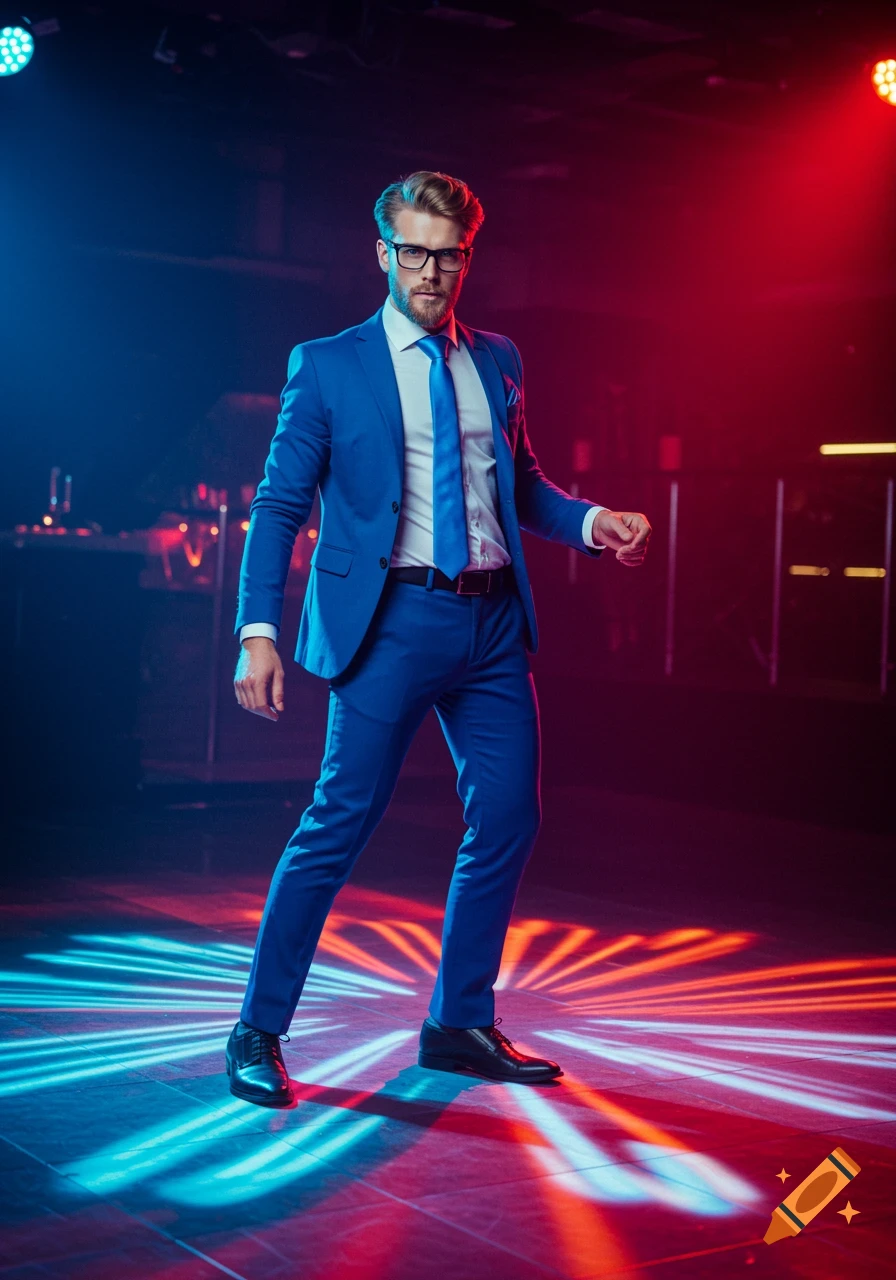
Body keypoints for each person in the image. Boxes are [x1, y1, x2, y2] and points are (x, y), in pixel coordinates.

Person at [226, 170, 651, 1107]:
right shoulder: (328, 365)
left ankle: (457, 1023)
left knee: (508, 816)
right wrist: (258, 628)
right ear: (383, 253)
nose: (431, 271)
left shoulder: (496, 358)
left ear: (469, 255)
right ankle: (257, 1030)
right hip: (389, 622)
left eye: (449, 253)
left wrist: (592, 522)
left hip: (493, 621)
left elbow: (524, 487)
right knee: (339, 825)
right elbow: (279, 506)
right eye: (413, 251)